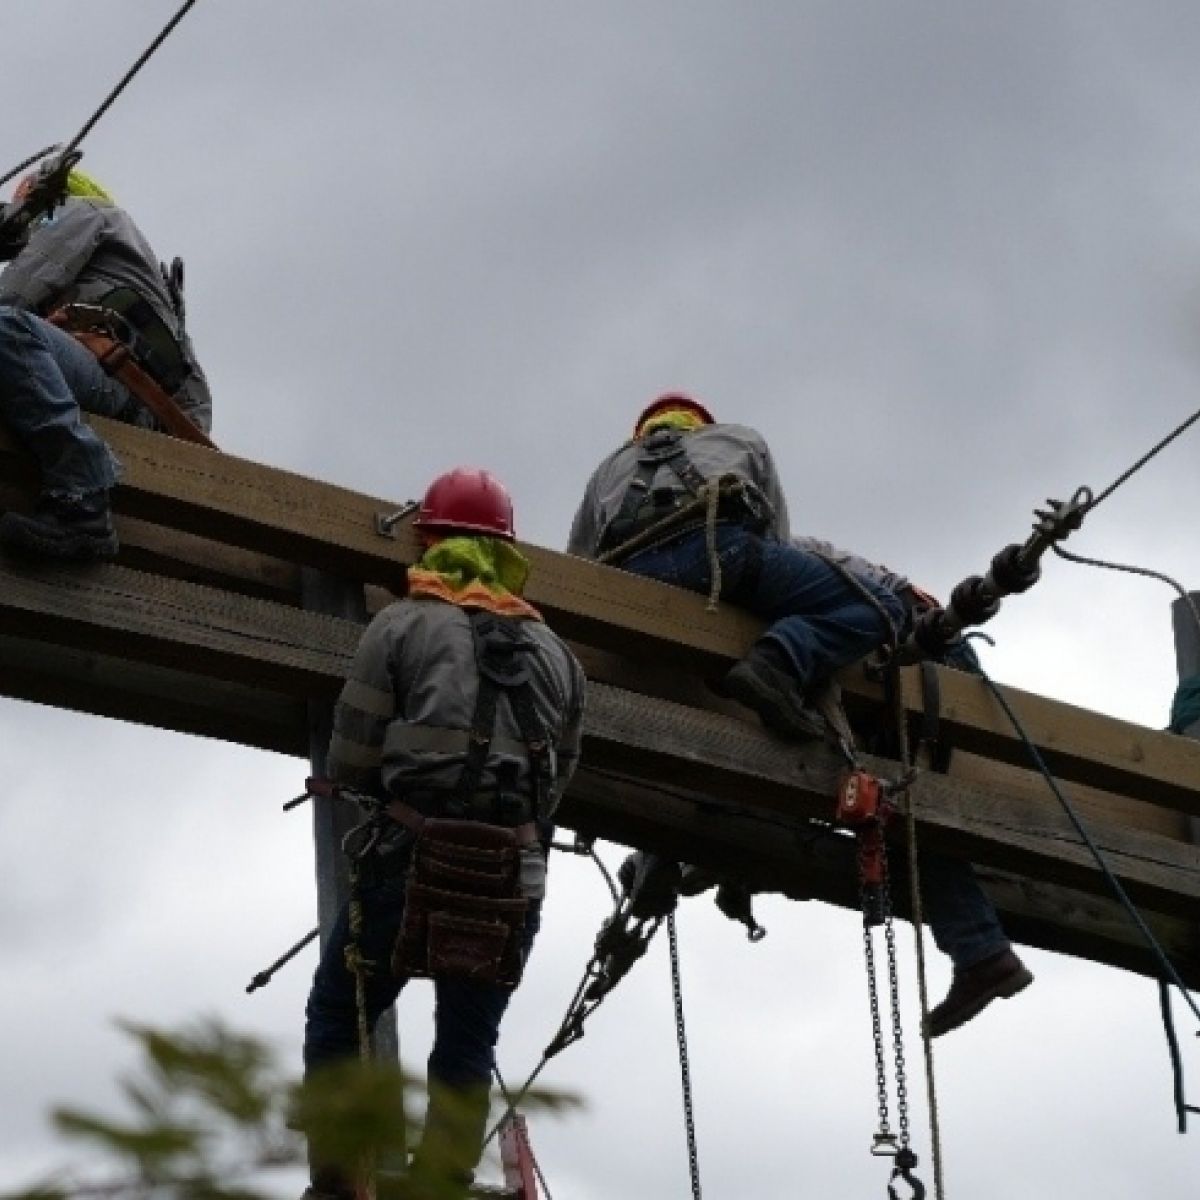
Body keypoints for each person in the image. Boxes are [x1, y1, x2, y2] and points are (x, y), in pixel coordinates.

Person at [569, 394, 1031, 1035]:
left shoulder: (614, 475)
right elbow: (767, 540)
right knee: (892, 803)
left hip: (917, 655)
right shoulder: (743, 465)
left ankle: (982, 952)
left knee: (886, 785)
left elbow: (582, 567)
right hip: (819, 622)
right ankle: (982, 951)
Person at [303, 467, 586, 1199]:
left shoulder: (401, 623)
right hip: (510, 881)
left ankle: (337, 1182)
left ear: (429, 543)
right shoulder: (560, 657)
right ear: (508, 554)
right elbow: (558, 781)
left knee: (343, 1013)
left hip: (408, 855)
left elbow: (353, 751)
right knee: (467, 1041)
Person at [0, 163, 212, 561]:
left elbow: (11, 295)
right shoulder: (127, 266)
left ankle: (81, 494)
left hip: (120, 387)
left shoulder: (85, 214)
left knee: (5, 327)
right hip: (122, 392)